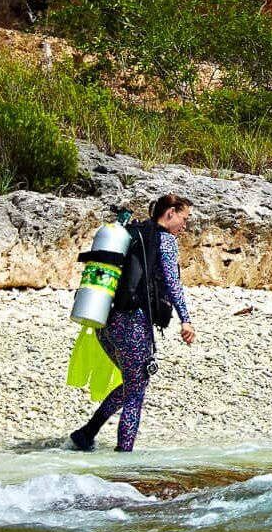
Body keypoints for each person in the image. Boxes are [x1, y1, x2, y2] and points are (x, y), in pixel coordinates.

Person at [71, 193, 196, 452]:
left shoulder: (133, 235)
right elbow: (173, 284)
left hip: (105, 320)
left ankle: (86, 433)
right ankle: (123, 459)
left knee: (134, 382)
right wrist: (186, 319)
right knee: (136, 390)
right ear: (170, 213)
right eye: (184, 218)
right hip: (132, 323)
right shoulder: (164, 241)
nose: (185, 225)